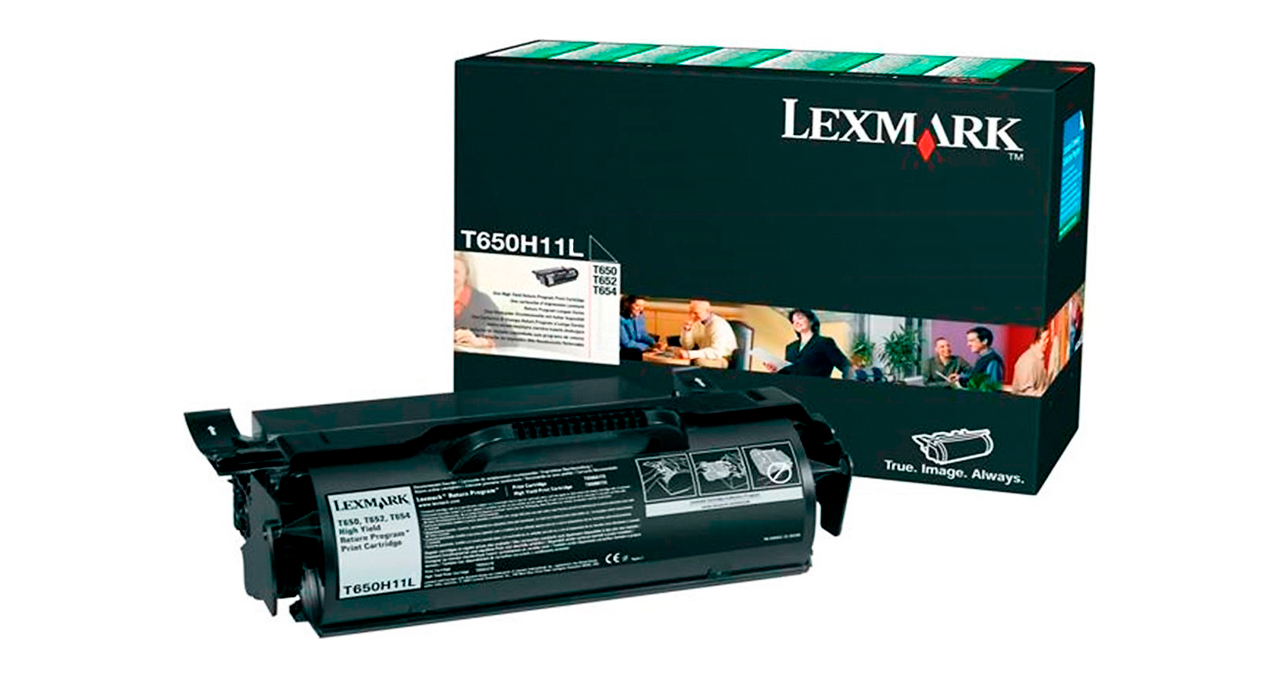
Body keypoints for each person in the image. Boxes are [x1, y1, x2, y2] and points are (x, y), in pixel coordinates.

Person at [765, 309, 851, 378]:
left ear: (811, 321)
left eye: (800, 318)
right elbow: (789, 372)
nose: (796, 322)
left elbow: (846, 365)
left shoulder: (825, 343)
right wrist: (776, 371)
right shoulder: (790, 347)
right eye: (793, 321)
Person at [674, 300, 737, 368]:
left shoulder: (718, 324)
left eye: (696, 313)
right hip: (705, 356)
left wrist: (690, 354)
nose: (692, 316)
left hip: (721, 358)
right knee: (673, 352)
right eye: (690, 312)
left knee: (699, 362)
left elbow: (716, 352)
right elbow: (688, 346)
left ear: (707, 311)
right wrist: (687, 331)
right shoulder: (697, 322)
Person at [453, 253, 498, 349]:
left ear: (466, 275)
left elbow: (510, 338)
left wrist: (481, 342)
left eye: (455, 272)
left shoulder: (482, 300)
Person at [1011, 327, 1050, 396]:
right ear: (1037, 340)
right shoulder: (1028, 360)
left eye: (1048, 338)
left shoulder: (1038, 358)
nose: (1048, 341)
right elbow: (1026, 393)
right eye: (1045, 339)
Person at [619, 295, 657, 361]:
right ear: (627, 305)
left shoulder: (640, 315)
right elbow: (626, 343)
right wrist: (647, 348)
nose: (641, 309)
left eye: (642, 306)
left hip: (637, 349)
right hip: (623, 352)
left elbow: (642, 335)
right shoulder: (620, 319)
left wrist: (654, 343)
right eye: (637, 306)